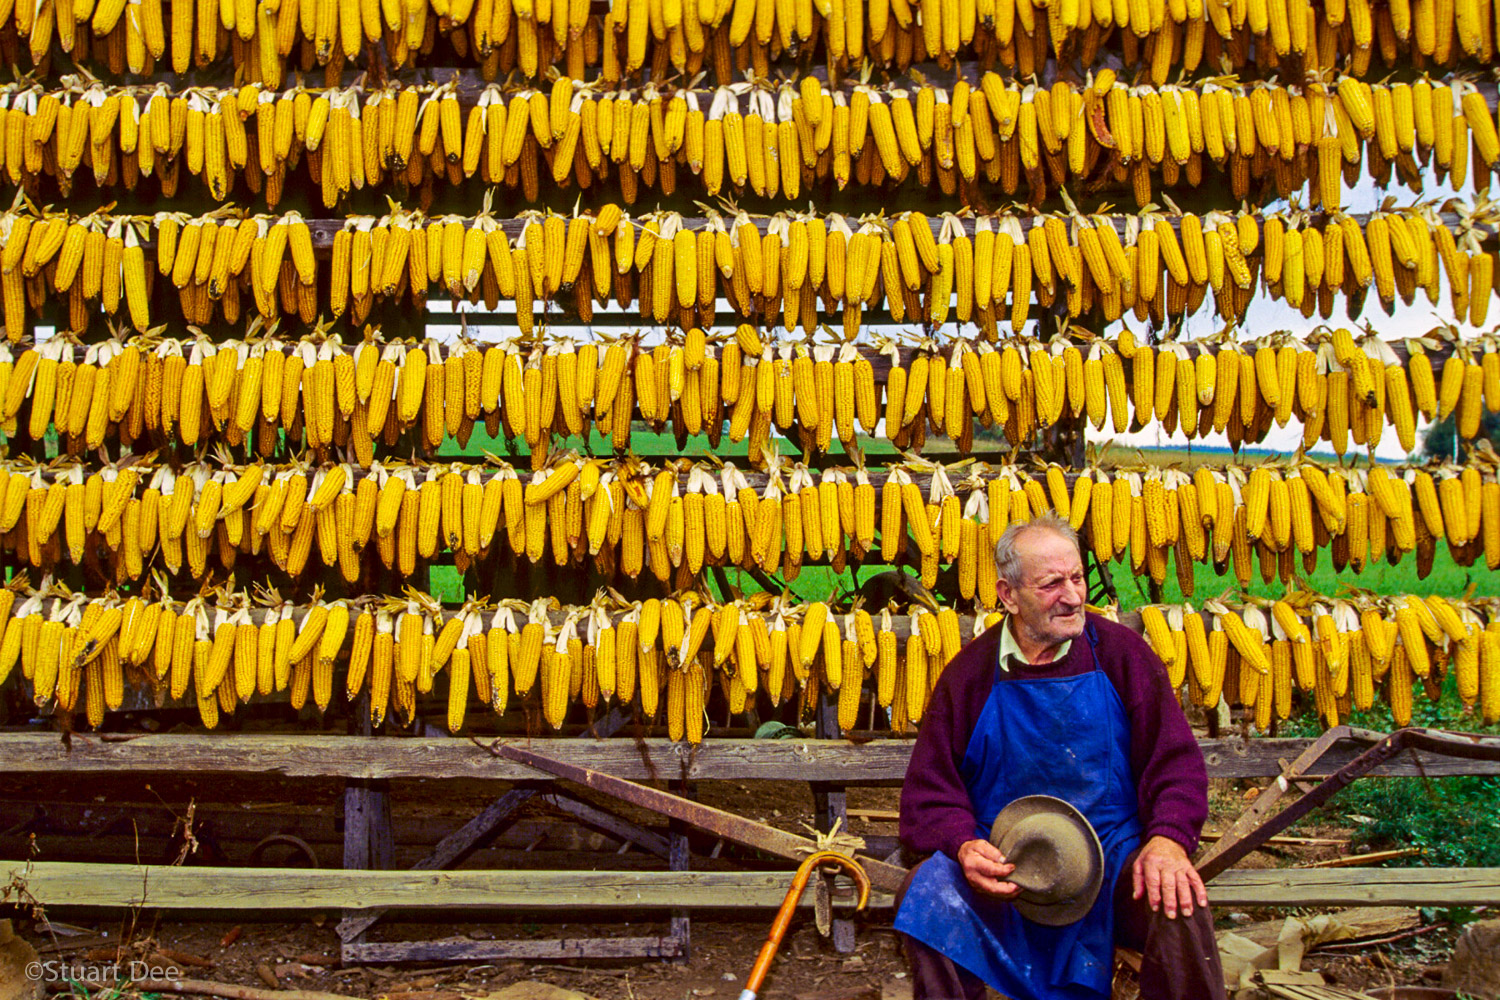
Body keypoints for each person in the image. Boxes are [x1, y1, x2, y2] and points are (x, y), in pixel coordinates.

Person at [894, 513, 1227, 1000]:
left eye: (1076, 578)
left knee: (1177, 898)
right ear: (1007, 594)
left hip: (1112, 858)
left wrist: (1168, 842)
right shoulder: (969, 676)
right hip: (1009, 867)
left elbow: (1174, 763)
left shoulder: (1122, 656)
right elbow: (930, 792)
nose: (1073, 597)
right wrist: (965, 846)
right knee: (927, 894)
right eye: (1052, 584)